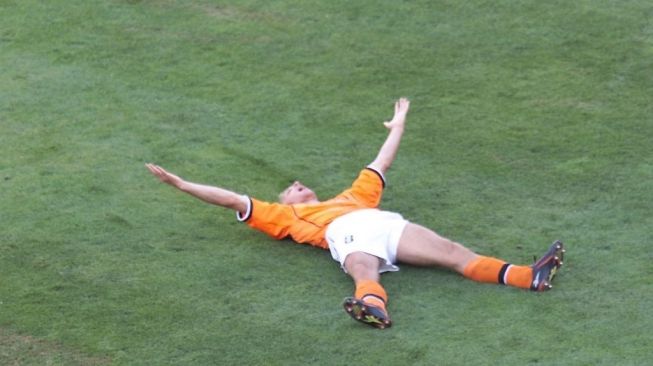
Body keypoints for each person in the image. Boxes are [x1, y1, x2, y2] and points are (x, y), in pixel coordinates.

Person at [146, 98, 565, 329]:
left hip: (383, 225)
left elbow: (380, 163)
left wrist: (398, 125)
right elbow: (233, 199)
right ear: (287, 203)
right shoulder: (283, 218)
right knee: (365, 270)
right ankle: (372, 306)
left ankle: (531, 276)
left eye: (297, 184)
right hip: (345, 238)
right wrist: (183, 185)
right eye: (290, 188)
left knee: (453, 253)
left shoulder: (355, 196)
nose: (296, 185)